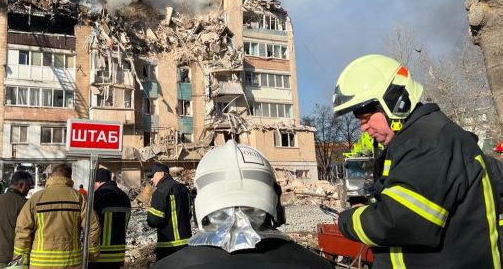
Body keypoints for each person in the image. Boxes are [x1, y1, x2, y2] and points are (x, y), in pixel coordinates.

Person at [332, 54, 501, 268]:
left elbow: (401, 220)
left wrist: (348, 220)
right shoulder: (412, 142)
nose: (363, 127)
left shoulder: (428, 142)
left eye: (366, 118)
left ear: (394, 102)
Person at [154, 140, 334, 268]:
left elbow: (153, 219)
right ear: (275, 197)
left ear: (198, 202)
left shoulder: (166, 266)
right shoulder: (318, 264)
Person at [13, 163, 100, 268]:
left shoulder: (36, 199)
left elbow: (22, 231)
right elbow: (93, 227)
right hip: (71, 263)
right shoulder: (79, 198)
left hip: (40, 263)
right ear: (70, 177)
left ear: (51, 176)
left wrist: (21, 261)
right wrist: (92, 253)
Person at [0, 171, 33, 269]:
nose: (28, 190)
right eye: (28, 187)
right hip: (11, 258)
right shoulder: (24, 204)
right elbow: (27, 232)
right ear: (21, 185)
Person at [146, 163, 192, 262]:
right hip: (187, 243)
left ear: (161, 174)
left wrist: (149, 215)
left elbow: (154, 220)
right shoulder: (183, 189)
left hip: (169, 247)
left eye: (153, 176)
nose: (151, 179)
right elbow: (189, 214)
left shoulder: (160, 191)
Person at [89, 168, 131, 269]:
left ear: (99, 181)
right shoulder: (124, 197)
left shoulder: (97, 196)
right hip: (118, 254)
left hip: (100, 254)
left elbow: (91, 225)